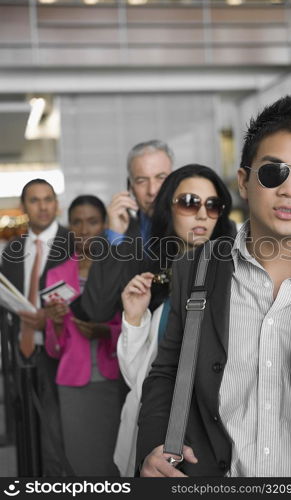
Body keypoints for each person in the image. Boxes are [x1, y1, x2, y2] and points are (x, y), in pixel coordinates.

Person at [136, 95, 291, 477]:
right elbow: (168, 371)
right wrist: (151, 447)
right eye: (274, 173)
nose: (290, 189)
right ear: (244, 181)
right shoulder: (196, 269)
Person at [114, 164, 236, 476]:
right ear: (168, 208)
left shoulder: (234, 275)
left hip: (207, 441)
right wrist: (134, 318)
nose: (202, 214)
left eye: (213, 205)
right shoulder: (155, 273)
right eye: (189, 202)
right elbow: (139, 377)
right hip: (152, 429)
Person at [44, 195, 127, 476]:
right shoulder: (56, 275)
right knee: (81, 465)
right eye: (77, 222)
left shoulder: (118, 268)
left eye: (92, 221)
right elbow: (54, 350)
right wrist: (55, 325)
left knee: (116, 463)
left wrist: (107, 331)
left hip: (114, 380)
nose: (84, 230)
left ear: (105, 225)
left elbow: (134, 327)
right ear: (69, 228)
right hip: (73, 385)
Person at [1, 178, 74, 476]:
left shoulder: (73, 242)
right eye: (35, 200)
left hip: (59, 350)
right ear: (24, 206)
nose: (43, 206)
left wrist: (52, 315)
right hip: (20, 350)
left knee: (56, 431)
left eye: (48, 199)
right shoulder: (12, 249)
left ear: (56, 204)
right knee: (24, 426)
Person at [81, 140, 174, 323]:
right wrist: (115, 238)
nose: (152, 190)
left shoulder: (196, 227)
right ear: (130, 188)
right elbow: (97, 311)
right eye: (141, 180)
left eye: (161, 177)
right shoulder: (115, 237)